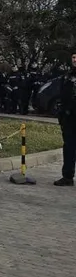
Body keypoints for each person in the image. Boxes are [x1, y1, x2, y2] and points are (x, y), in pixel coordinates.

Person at [54, 51, 76, 187]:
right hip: (69, 117)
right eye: (73, 57)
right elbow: (62, 94)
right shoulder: (67, 76)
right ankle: (67, 176)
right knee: (69, 147)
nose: (75, 59)